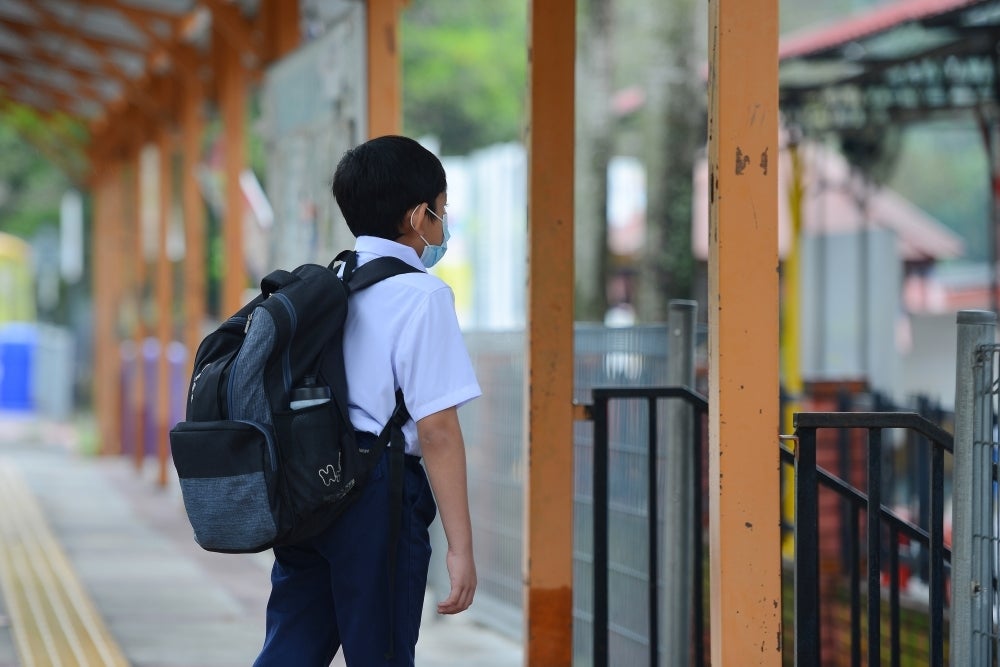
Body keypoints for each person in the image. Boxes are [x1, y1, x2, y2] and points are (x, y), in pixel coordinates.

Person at [253, 135, 481, 666]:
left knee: (291, 648)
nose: (442, 225)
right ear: (417, 215)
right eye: (441, 211)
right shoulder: (423, 295)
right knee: (380, 653)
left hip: (308, 480)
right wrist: (461, 547)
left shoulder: (327, 282)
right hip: (378, 494)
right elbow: (437, 430)